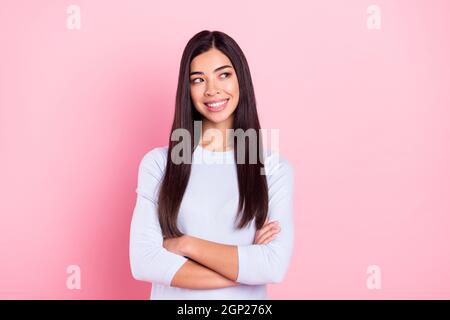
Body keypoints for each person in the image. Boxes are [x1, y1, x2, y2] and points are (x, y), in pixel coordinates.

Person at [129, 30, 295, 299]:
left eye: (224, 74)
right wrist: (245, 266)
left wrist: (185, 244)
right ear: (188, 88)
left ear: (241, 79)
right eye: (198, 79)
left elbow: (273, 267)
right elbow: (144, 262)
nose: (212, 89)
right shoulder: (158, 164)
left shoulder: (273, 169)